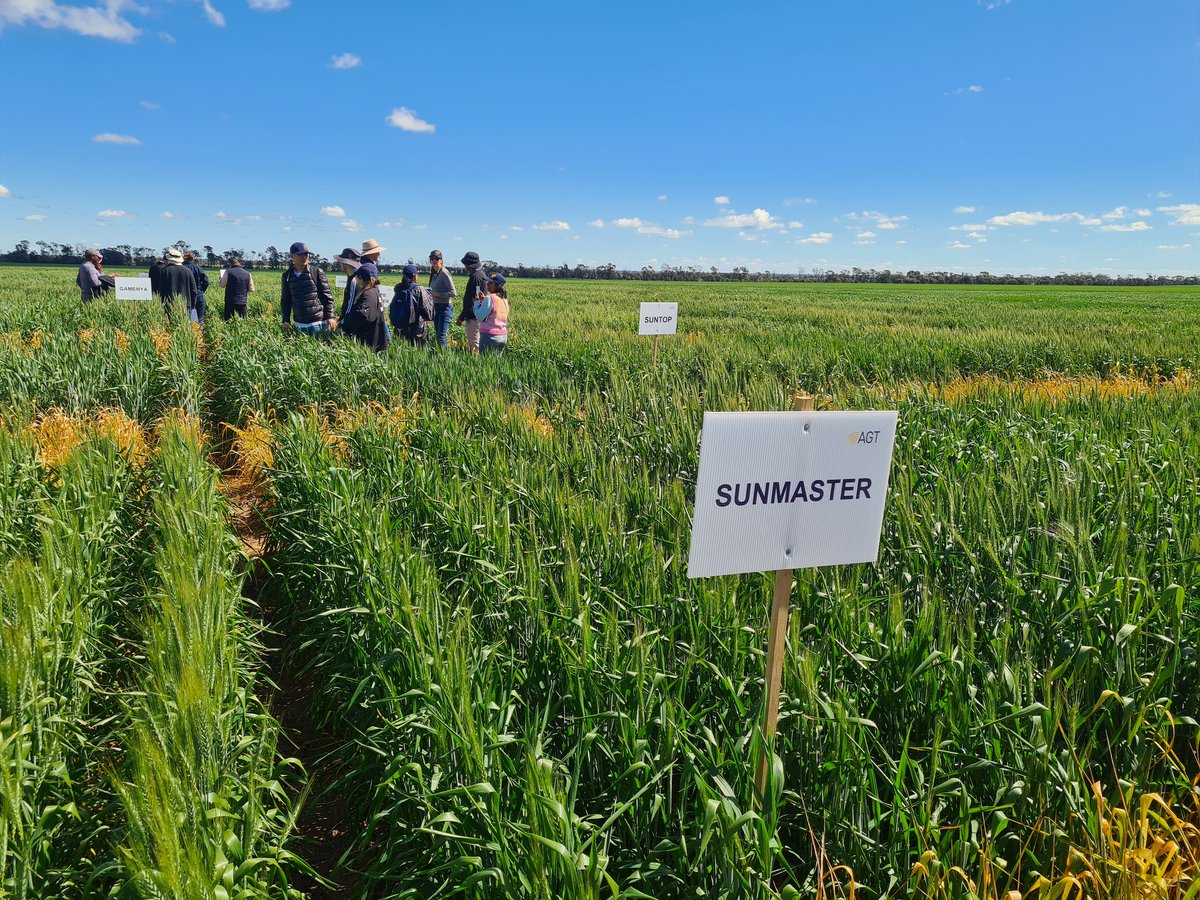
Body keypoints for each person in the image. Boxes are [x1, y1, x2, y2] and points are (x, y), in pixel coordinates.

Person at [281, 241, 336, 334]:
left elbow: (328, 297)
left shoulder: (316, 272)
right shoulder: (287, 276)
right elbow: (286, 300)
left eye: (306, 254)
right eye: (300, 255)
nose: (304, 257)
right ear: (292, 256)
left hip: (319, 324)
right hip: (299, 325)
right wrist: (286, 321)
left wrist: (331, 317)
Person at [339, 263, 390, 352]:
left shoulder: (368, 294)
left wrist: (344, 324)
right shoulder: (375, 291)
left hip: (370, 342)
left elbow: (362, 316)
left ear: (361, 278)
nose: (356, 279)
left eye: (357, 276)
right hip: (377, 339)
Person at [389, 263, 435, 347]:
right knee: (418, 352)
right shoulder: (418, 289)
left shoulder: (399, 289)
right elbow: (429, 312)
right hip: (417, 330)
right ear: (414, 276)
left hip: (400, 329)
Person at [456, 251, 487, 353]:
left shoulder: (475, 277)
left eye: (465, 264)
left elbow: (472, 300)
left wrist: (461, 317)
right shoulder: (481, 274)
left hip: (473, 316)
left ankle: (475, 361)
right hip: (478, 314)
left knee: (474, 343)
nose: (465, 266)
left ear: (469, 265)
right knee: (476, 340)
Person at [427, 249, 456, 348]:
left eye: (437, 259)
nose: (434, 260)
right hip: (436, 307)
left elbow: (453, 293)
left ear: (441, 260)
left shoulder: (444, 272)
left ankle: (445, 355)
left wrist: (437, 294)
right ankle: (440, 353)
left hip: (445, 307)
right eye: (432, 259)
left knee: (441, 337)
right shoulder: (434, 273)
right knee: (438, 335)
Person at [474, 272, 510, 354]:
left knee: (485, 360)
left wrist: (476, 302)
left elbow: (479, 316)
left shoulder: (490, 298)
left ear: (497, 285)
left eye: (490, 283)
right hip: (503, 336)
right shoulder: (504, 299)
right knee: (496, 361)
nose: (487, 284)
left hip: (489, 336)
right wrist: (483, 301)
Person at [160, 247, 198, 324]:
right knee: (184, 326)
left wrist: (162, 303)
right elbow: (194, 290)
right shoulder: (188, 271)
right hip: (186, 304)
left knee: (172, 326)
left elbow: (162, 290)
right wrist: (193, 304)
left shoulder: (165, 271)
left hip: (170, 304)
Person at [333, 247, 361, 321]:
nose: (339, 263)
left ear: (345, 263)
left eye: (340, 261)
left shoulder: (354, 280)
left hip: (352, 322)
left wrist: (342, 322)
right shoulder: (353, 277)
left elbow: (351, 305)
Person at [183, 251, 210, 325]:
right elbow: (206, 281)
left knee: (186, 320)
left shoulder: (181, 268)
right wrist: (201, 290)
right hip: (198, 294)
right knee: (200, 320)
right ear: (193, 259)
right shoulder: (197, 268)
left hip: (185, 295)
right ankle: (201, 331)